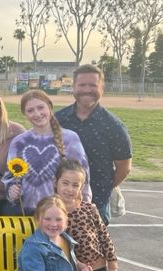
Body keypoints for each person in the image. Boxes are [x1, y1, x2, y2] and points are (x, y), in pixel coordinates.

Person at [55, 64, 132, 224]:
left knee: (92, 248)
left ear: (101, 88)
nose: (87, 90)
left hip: (95, 204)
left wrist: (102, 189)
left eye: (93, 85)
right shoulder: (58, 120)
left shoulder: (113, 126)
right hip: (59, 202)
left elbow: (124, 168)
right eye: (82, 85)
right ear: (74, 87)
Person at [4, 89, 91, 215]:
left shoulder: (70, 139)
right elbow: (10, 176)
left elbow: (83, 176)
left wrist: (84, 206)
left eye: (41, 107)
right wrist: (11, 190)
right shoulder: (18, 143)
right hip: (28, 213)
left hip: (61, 214)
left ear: (49, 107)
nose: (37, 114)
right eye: (30, 110)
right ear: (25, 114)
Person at [55, 158, 118, 271]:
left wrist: (113, 266)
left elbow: (104, 237)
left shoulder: (89, 208)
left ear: (82, 186)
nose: (70, 189)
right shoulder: (51, 212)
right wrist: (76, 264)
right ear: (55, 182)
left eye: (75, 185)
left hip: (97, 268)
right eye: (65, 183)